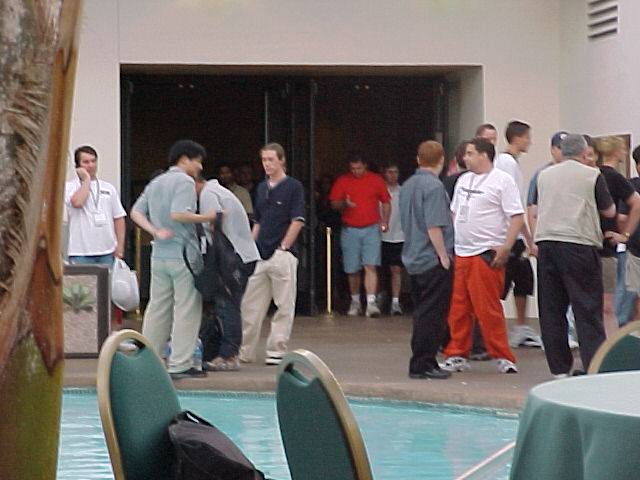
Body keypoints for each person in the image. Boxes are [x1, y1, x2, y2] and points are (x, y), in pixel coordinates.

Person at [130, 140, 217, 378]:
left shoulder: (156, 182)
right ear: (184, 159)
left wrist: (154, 231)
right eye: (197, 161)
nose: (200, 166)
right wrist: (207, 217)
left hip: (159, 255)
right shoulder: (185, 182)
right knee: (186, 308)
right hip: (183, 254)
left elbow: (135, 212)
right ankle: (180, 363)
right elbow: (179, 214)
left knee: (157, 307)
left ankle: (148, 359)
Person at [531, 134, 615, 376]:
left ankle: (559, 368)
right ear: (583, 152)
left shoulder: (544, 175)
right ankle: (594, 366)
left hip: (547, 242)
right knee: (587, 307)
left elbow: (536, 207)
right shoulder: (592, 175)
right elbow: (609, 210)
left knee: (551, 309)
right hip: (578, 242)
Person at [442, 137, 524, 374]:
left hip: (485, 252)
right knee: (459, 307)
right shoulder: (463, 180)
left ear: (484, 155)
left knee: (487, 308)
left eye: (470, 153)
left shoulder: (502, 180)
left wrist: (506, 246)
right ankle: (457, 353)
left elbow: (516, 216)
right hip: (462, 251)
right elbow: (455, 213)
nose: (465, 158)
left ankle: (503, 356)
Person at [239, 143, 305, 366]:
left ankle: (276, 349)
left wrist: (284, 247)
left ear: (282, 161)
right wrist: (250, 249)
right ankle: (245, 350)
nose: (267, 164)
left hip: (280, 254)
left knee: (284, 305)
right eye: (264, 160)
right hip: (260, 254)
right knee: (250, 305)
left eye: (271, 160)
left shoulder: (294, 187)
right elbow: (258, 221)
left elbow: (297, 220)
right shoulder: (261, 188)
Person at [400, 141, 453, 380]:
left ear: (418, 159)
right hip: (431, 258)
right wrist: (443, 255)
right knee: (433, 315)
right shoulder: (434, 187)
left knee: (421, 312)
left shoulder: (408, 185)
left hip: (412, 256)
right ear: (441, 160)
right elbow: (434, 225)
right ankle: (423, 362)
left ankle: (422, 360)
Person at [197, 175, 260, 371]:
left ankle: (229, 355)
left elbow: (215, 220)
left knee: (227, 305)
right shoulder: (219, 191)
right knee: (227, 305)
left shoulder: (208, 194)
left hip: (232, 259)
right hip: (241, 255)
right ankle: (225, 352)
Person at [494, 121, 542, 349]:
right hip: (508, 235)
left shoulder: (511, 163)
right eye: (527, 137)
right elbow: (511, 203)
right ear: (517, 137)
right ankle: (491, 329)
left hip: (515, 235)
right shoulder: (506, 163)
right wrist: (527, 237)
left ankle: (521, 326)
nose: (529, 141)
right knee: (503, 282)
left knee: (523, 279)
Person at [329, 154, 391, 317]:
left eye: (359, 168)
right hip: (350, 228)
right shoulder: (343, 180)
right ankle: (355, 301)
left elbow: (386, 202)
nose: (356, 171)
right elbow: (334, 203)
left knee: (371, 265)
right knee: (352, 268)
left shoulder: (376, 180)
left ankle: (371, 303)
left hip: (371, 228)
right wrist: (345, 204)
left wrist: (385, 221)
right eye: (353, 168)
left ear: (365, 166)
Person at [592, 136, 640, 329]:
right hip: (608, 246)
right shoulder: (613, 177)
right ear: (615, 152)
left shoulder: (592, 175)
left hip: (590, 243)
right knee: (611, 302)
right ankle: (612, 340)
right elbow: (630, 208)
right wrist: (625, 235)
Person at [65, 145, 126, 265]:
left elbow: (118, 217)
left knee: (108, 278)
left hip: (107, 251)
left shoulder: (109, 188)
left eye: (93, 161)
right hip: (81, 252)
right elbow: (78, 202)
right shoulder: (70, 187)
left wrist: (120, 245)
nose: (91, 165)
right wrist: (86, 180)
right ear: (78, 166)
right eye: (86, 162)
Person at [615, 145, 640, 325]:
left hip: (634, 250)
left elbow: (622, 218)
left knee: (632, 299)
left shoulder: (630, 186)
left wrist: (625, 235)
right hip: (634, 251)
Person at [380, 163, 405, 315]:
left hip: (399, 235)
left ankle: (395, 302)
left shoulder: (403, 192)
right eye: (390, 172)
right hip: (380, 236)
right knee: (379, 269)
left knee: (396, 269)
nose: (393, 175)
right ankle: (379, 296)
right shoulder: (380, 191)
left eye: (395, 172)